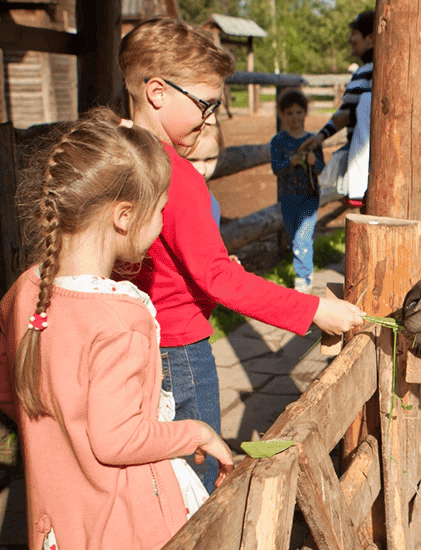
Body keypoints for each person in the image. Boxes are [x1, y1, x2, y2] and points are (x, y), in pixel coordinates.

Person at [118, 17, 365, 492]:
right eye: (205, 105)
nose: (210, 119)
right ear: (157, 92)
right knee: (199, 472)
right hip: (181, 351)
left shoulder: (116, 154)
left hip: (133, 343)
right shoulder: (178, 176)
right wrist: (314, 308)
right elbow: (216, 278)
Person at [0, 107, 234, 550]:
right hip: (126, 525)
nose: (161, 223)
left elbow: (7, 393)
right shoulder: (120, 320)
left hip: (58, 526)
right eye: (160, 210)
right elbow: (118, 439)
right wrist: (198, 432)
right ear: (124, 216)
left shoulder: (27, 291)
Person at [295, 10, 376, 188]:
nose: (349, 38)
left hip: (368, 160)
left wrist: (322, 135)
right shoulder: (366, 71)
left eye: (354, 33)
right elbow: (347, 114)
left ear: (370, 38)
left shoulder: (369, 71)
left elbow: (351, 113)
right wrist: (321, 136)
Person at [271, 89, 325, 292]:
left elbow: (321, 169)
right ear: (282, 115)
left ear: (305, 113)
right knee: (296, 238)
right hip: (288, 197)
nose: (295, 118)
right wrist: (290, 162)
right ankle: (307, 269)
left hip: (309, 197)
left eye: (299, 112)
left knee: (302, 237)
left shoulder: (312, 141)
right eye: (290, 113)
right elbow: (276, 169)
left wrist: (314, 162)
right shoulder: (278, 141)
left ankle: (302, 278)